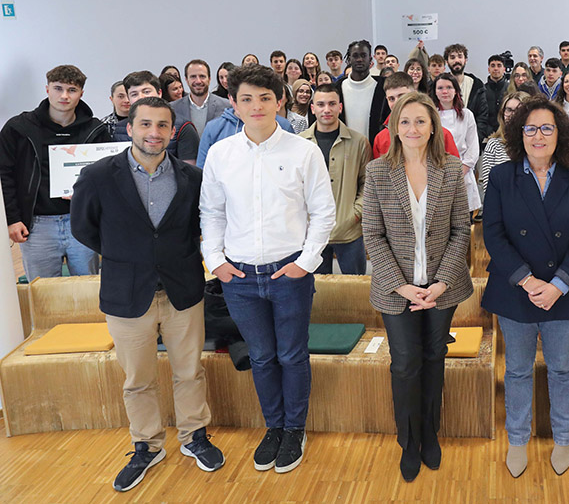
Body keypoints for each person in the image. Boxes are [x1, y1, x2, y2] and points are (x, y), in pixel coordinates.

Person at [70, 97, 224, 492]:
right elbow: (84, 229)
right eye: (145, 125)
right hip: (126, 292)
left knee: (189, 371)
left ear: (173, 131)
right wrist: (127, 254)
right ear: (131, 127)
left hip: (182, 290)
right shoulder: (98, 175)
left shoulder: (193, 178)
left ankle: (194, 436)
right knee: (137, 378)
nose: (153, 133)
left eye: (161, 126)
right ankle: (147, 444)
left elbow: (196, 228)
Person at [200, 64, 335, 475]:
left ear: (280, 102)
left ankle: (295, 429)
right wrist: (217, 262)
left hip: (288, 274)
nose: (255, 106)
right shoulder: (222, 155)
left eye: (264, 98)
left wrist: (305, 263)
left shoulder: (303, 151)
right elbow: (211, 212)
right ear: (235, 105)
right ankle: (272, 427)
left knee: (292, 355)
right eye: (246, 98)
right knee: (261, 357)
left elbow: (323, 213)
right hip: (238, 277)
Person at [362, 91, 473, 482]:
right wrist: (404, 287)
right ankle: (408, 440)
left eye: (420, 121)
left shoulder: (452, 169)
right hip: (398, 291)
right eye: (405, 121)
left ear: (433, 126)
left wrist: (441, 283)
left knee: (434, 357)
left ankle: (430, 433)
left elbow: (462, 229)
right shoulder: (377, 172)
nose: (412, 128)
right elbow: (373, 235)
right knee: (405, 362)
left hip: (443, 288)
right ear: (394, 127)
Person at [482, 98, 569, 478]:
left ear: (560, 133)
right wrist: (529, 281)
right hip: (517, 288)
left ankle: (564, 438)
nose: (538, 135)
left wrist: (558, 284)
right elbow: (494, 236)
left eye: (547, 128)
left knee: (562, 368)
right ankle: (517, 439)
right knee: (516, 370)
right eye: (530, 128)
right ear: (519, 133)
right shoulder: (501, 177)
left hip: (560, 292)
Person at [1, 64, 110, 278]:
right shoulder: (18, 128)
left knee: (87, 291)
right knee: (43, 295)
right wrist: (12, 219)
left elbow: (106, 177)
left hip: (81, 220)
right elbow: (4, 174)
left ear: (81, 93)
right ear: (47, 89)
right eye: (58, 88)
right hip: (36, 225)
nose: (64, 96)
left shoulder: (96, 130)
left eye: (72, 90)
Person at [299, 83, 370, 275]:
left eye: (332, 104)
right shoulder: (299, 143)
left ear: (340, 107)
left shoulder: (359, 142)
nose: (326, 109)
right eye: (321, 104)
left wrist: (355, 214)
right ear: (312, 108)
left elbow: (368, 184)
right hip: (312, 233)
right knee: (317, 293)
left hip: (349, 232)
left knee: (355, 290)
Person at [372, 73, 461, 161]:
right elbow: (379, 173)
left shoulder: (442, 135)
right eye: (391, 99)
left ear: (414, 94)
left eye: (402, 96)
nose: (397, 102)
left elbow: (454, 171)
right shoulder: (381, 138)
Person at [433, 74, 481, 213]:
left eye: (449, 87)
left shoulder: (467, 115)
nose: (445, 91)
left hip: (462, 174)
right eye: (440, 88)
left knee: (463, 223)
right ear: (435, 91)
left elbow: (473, 148)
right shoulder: (431, 115)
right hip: (437, 174)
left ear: (456, 90)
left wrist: (460, 171)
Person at [477, 91, 528, 206]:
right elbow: (487, 185)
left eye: (518, 110)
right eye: (508, 110)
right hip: (501, 206)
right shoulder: (493, 144)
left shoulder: (534, 144)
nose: (511, 114)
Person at [338, 40, 389, 141]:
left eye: (363, 55)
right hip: (345, 149)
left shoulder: (383, 87)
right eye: (355, 56)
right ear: (349, 59)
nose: (359, 59)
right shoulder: (338, 87)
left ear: (370, 59)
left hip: (375, 149)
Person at [444, 43, 492, 141]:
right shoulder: (439, 85)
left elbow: (482, 117)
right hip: (446, 140)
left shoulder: (477, 85)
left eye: (460, 57)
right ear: (447, 62)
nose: (457, 60)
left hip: (471, 139)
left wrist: (475, 139)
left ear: (465, 60)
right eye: (452, 57)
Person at [171, 59, 229, 138]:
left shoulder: (226, 106)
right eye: (193, 77)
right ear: (186, 80)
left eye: (202, 76)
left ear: (209, 79)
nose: (198, 81)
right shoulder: (173, 109)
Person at [484, 54, 509, 135]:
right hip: (487, 134)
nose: (496, 68)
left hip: (507, 132)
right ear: (488, 69)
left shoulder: (510, 90)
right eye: (493, 66)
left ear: (504, 69)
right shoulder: (482, 90)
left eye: (499, 65)